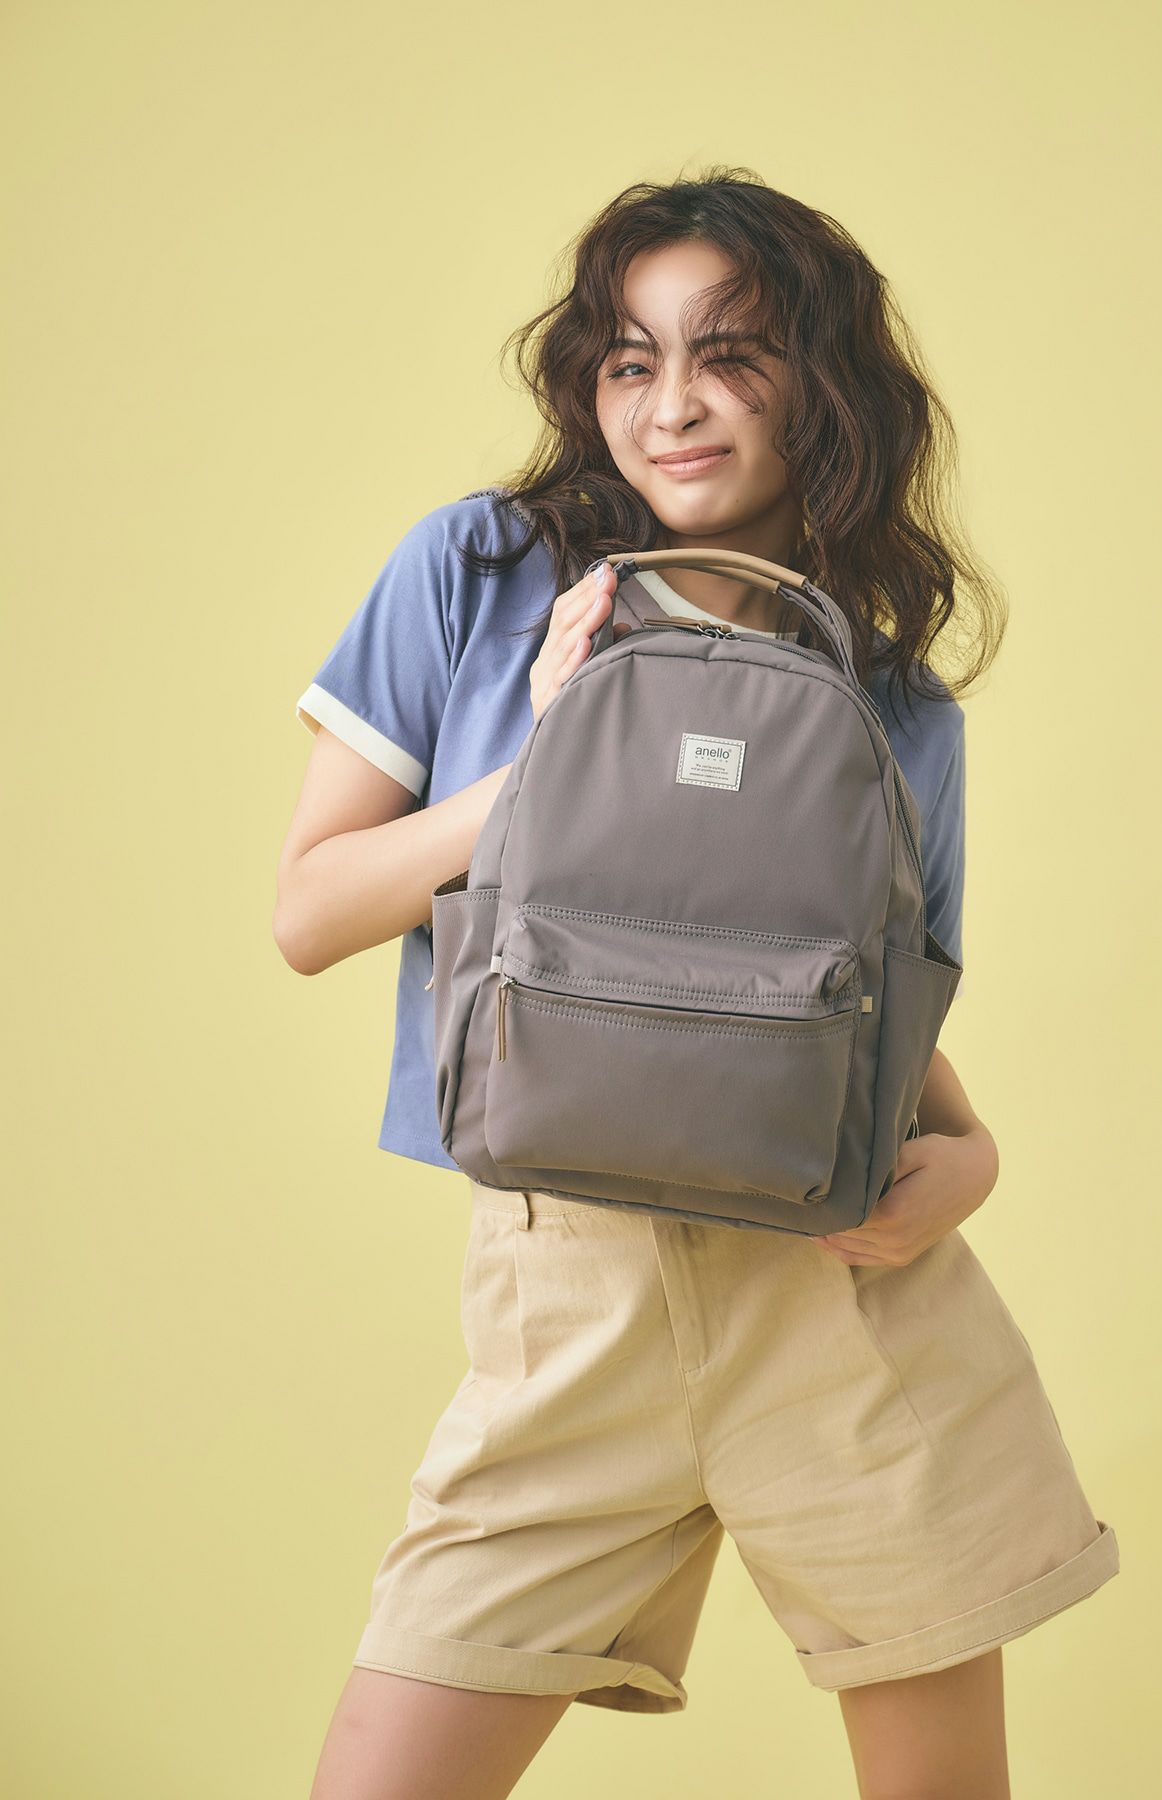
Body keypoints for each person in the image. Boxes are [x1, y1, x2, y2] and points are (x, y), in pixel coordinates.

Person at [278, 169, 1119, 1800]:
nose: (671, 406)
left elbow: (865, 1012)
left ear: (823, 383)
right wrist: (550, 759)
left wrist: (975, 1158)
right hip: (565, 1298)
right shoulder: (480, 576)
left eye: (730, 355)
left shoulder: (893, 701)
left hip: (847, 1308)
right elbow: (309, 912)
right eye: (630, 360)